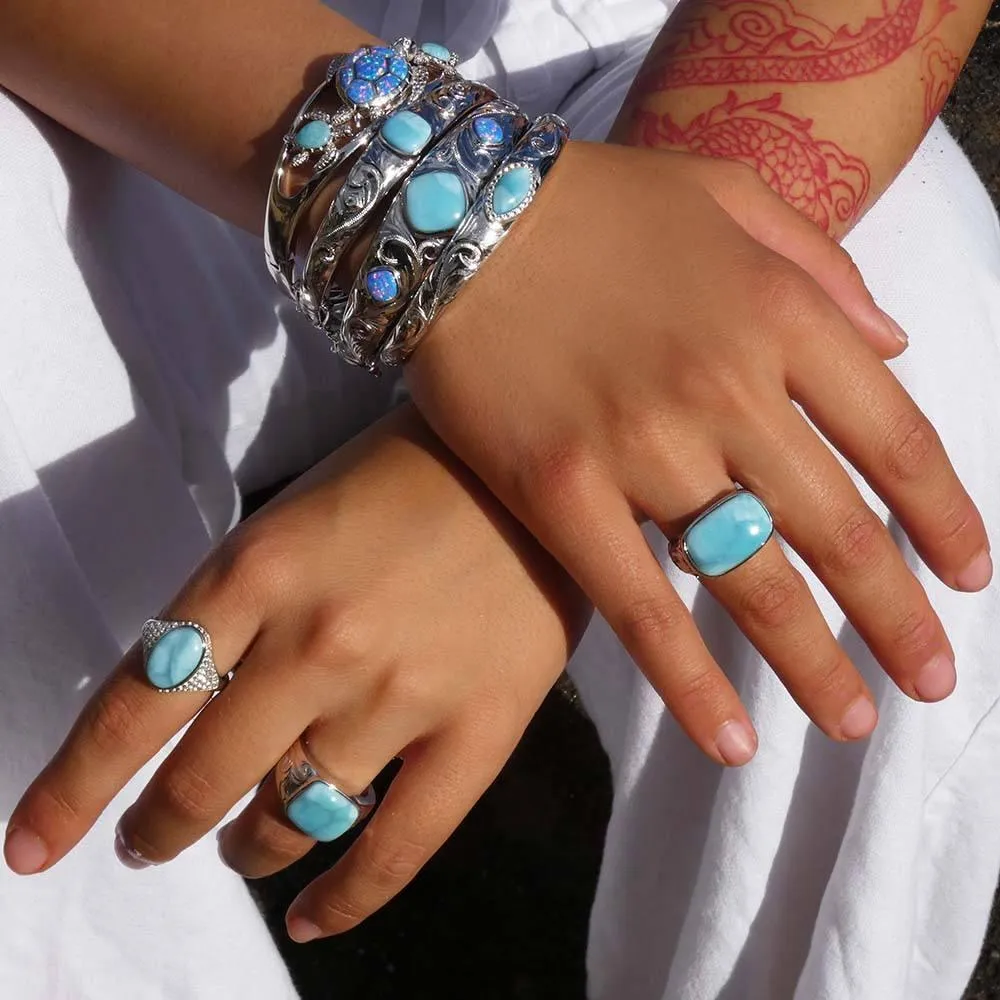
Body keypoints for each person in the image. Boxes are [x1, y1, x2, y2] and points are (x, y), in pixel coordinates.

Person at [0, 1, 996, 998]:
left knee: (892, 434)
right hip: (104, 82)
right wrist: (494, 239)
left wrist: (505, 472)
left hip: (648, 46)